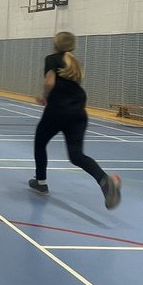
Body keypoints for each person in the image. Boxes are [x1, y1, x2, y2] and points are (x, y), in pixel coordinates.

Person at [27, 32, 121, 209]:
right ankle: (105, 181)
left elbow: (49, 82)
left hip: (57, 110)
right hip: (78, 112)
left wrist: (44, 96)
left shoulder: (52, 59)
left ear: (56, 44)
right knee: (77, 155)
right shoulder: (75, 62)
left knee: (40, 143)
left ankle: (40, 181)